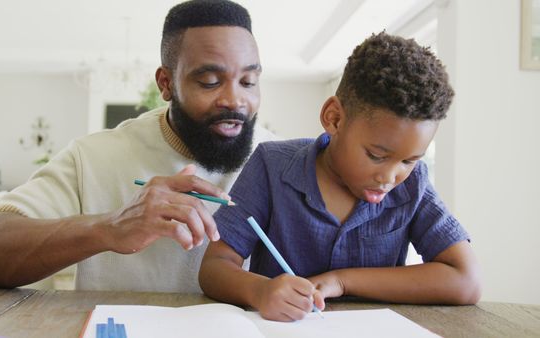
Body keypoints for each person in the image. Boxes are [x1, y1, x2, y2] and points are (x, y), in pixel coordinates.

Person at [0, 0, 275, 292]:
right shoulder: (93, 157)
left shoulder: (283, 161)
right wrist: (109, 227)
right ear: (165, 83)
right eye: (209, 82)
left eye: (248, 82)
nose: (235, 100)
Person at [199, 32, 482, 322]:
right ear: (334, 118)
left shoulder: (414, 183)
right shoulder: (272, 165)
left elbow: (466, 280)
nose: (389, 176)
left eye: (409, 160)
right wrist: (260, 291)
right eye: (376, 155)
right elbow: (214, 267)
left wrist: (342, 280)